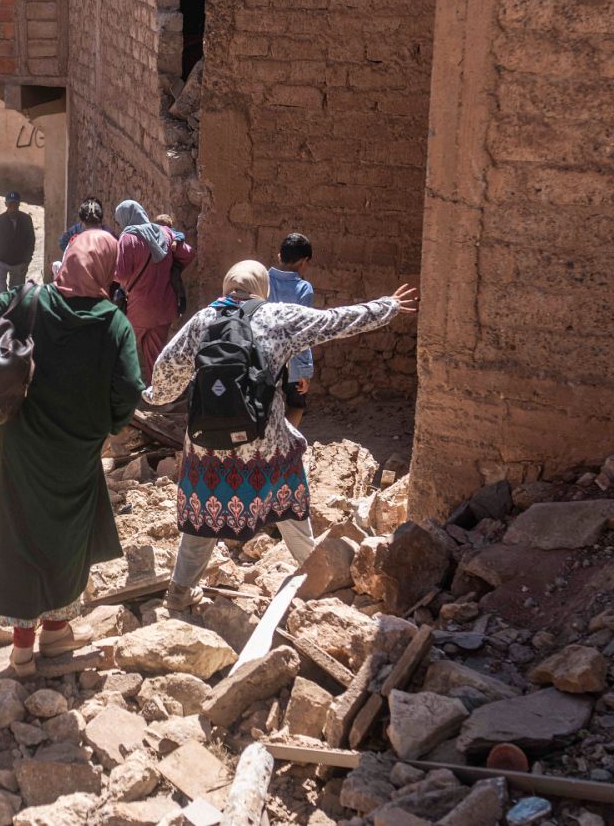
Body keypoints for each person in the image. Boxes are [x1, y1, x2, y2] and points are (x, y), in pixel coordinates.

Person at [143, 261, 417, 611]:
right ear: (263, 287)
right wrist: (386, 307)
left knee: (201, 520)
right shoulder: (279, 318)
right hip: (266, 444)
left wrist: (152, 397)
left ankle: (180, 591)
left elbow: (165, 375)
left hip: (207, 446)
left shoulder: (202, 320)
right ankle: (322, 581)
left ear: (228, 286)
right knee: (290, 508)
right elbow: (335, 322)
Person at [0, 230, 146, 675]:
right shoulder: (113, 322)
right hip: (78, 450)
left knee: (20, 535)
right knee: (67, 537)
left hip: (22, 441)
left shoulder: (32, 302)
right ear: (107, 268)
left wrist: (9, 356)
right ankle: (56, 630)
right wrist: (108, 425)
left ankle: (25, 647)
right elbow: (128, 389)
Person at [113, 200, 195, 386]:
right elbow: (188, 253)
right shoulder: (164, 232)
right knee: (156, 355)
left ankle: (120, 392)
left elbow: (121, 274)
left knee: (122, 350)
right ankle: (159, 395)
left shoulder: (128, 238)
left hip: (139, 310)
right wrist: (172, 268)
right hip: (164, 306)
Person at [267, 233, 316, 428]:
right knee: (296, 403)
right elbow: (302, 333)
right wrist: (304, 371)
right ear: (304, 262)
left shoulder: (263, 280)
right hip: (291, 360)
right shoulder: (304, 289)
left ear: (280, 256)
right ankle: (286, 447)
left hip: (264, 357)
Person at [0, 191, 36, 295]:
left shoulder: (26, 220)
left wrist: (27, 260)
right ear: (6, 204)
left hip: (19, 264)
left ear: (19, 204)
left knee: (15, 297)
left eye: (15, 204)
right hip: (1, 262)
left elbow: (31, 241)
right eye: (10, 204)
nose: (13, 207)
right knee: (0, 297)